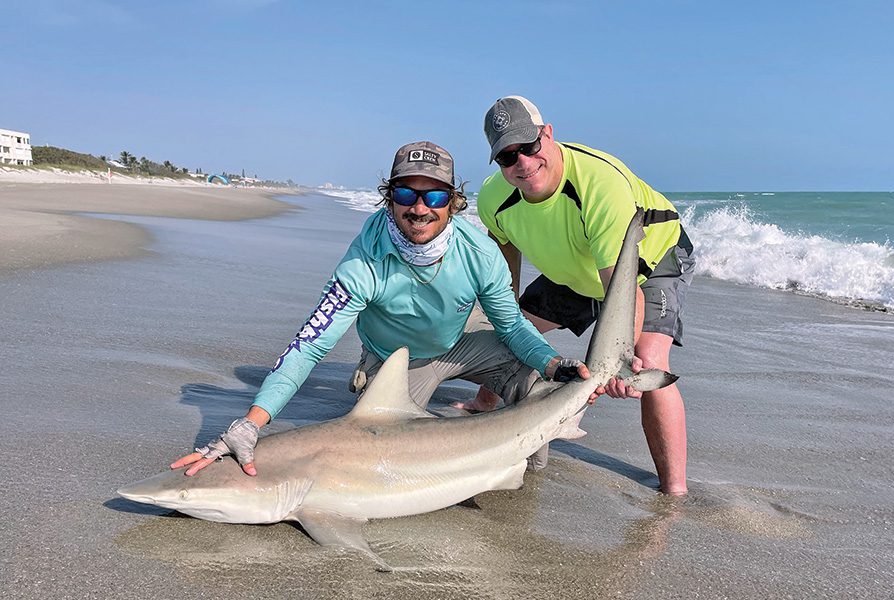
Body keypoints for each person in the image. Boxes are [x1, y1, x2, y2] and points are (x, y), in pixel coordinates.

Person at [171, 141, 601, 477]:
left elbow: (511, 326)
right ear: (388, 197)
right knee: (385, 456)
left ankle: (519, 474)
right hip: (396, 361)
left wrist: (551, 364)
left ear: (453, 201)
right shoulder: (364, 261)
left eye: (434, 195)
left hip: (458, 343)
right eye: (404, 193)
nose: (419, 208)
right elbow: (309, 345)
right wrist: (251, 423)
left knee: (532, 378)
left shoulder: (479, 253)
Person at [470, 96, 695, 495]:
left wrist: (618, 363)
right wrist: (509, 325)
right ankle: (484, 403)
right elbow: (503, 286)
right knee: (502, 331)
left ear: (548, 134)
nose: (522, 162)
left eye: (529, 146)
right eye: (507, 157)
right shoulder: (493, 200)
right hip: (575, 270)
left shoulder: (598, 183)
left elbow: (621, 290)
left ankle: (674, 491)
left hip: (648, 262)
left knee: (652, 364)